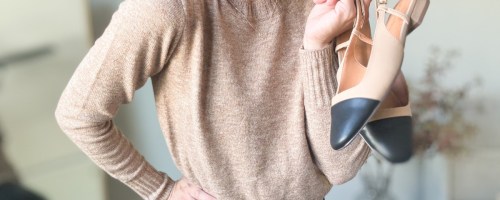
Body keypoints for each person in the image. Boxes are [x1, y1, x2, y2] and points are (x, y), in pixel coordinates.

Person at [55, 0, 372, 199]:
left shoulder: (322, 6)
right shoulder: (164, 8)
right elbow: (78, 114)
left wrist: (317, 44)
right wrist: (161, 191)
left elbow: (340, 166)